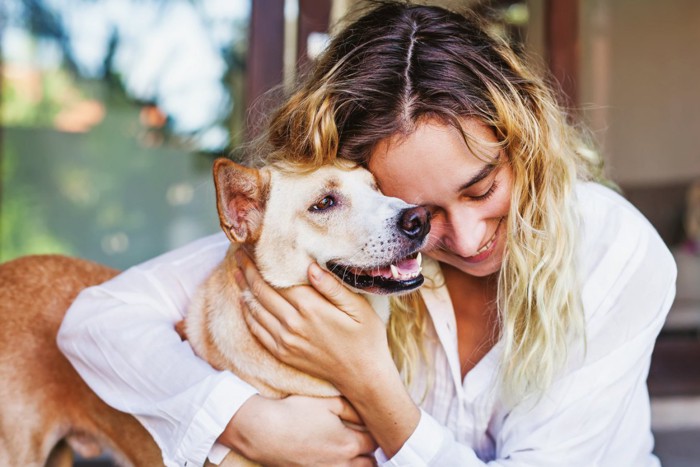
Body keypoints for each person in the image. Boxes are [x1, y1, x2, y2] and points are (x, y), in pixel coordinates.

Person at [58, 2, 676, 466]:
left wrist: (368, 380)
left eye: (482, 187)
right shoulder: (356, 240)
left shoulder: (611, 246)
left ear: (525, 144)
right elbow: (96, 323)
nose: (464, 239)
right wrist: (244, 422)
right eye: (416, 213)